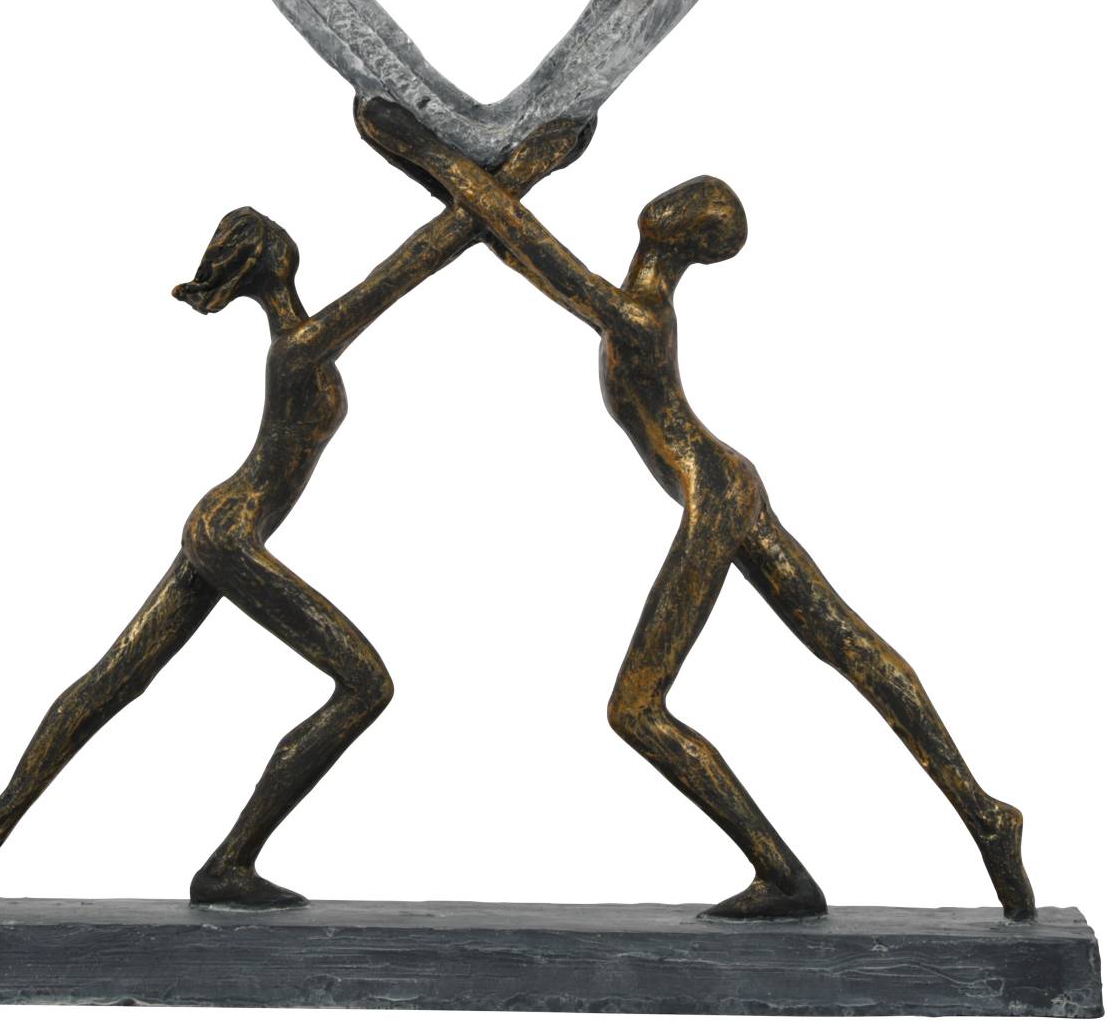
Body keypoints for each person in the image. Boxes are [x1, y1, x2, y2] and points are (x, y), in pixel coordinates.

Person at [359, 97, 1035, 921]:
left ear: (689, 237)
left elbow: (523, 238)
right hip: (723, 482)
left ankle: (792, 872)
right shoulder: (630, 299)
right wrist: (434, 162)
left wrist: (442, 151)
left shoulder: (638, 316)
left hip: (713, 493)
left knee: (642, 707)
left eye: (691, 203)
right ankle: (982, 813)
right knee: (844, 642)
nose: (672, 198)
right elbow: (506, 241)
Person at [0, 110, 592, 909]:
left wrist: (446, 164)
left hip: (223, 526)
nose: (278, 235)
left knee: (117, 678)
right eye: (266, 234)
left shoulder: (300, 337)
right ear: (268, 260)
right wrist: (517, 172)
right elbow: (409, 266)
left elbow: (424, 252)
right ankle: (226, 860)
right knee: (362, 685)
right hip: (230, 532)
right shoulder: (300, 347)